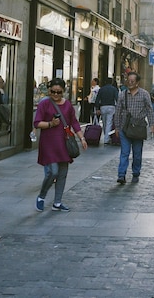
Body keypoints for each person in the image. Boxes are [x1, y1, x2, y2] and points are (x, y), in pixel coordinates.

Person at [34, 78, 87, 211]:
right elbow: (37, 123)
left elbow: (74, 122)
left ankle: (57, 202)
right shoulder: (44, 104)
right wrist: (50, 124)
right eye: (53, 92)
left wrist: (82, 138)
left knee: (62, 173)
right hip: (49, 143)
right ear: (49, 90)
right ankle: (42, 195)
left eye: (59, 92)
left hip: (63, 142)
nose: (56, 95)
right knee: (53, 172)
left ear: (63, 91)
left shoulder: (68, 104)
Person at [114, 71, 154, 184]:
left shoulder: (144, 94)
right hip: (125, 127)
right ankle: (121, 175)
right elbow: (118, 112)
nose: (130, 83)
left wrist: (152, 124)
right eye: (129, 80)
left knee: (137, 153)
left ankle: (136, 173)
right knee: (124, 152)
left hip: (138, 128)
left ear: (137, 82)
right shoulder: (122, 94)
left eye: (132, 81)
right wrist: (117, 127)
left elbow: (149, 110)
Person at [95, 77, 119, 144]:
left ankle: (106, 136)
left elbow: (97, 99)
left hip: (103, 107)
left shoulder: (101, 89)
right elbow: (117, 99)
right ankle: (106, 138)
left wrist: (97, 108)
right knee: (109, 123)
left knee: (104, 122)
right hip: (111, 107)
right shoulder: (114, 89)